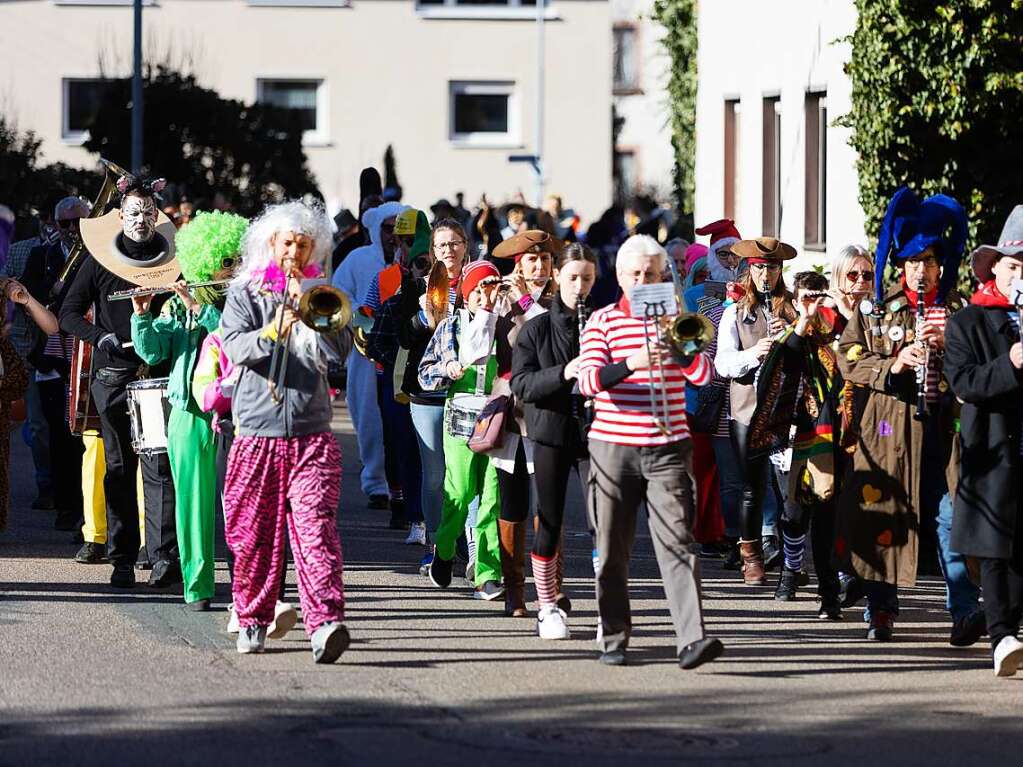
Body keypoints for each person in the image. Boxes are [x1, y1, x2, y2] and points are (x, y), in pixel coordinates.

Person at [838, 187, 982, 643]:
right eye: (914, 262)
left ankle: (962, 611)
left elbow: (978, 363)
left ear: (941, 266)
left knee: (949, 516)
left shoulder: (959, 309)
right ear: (902, 266)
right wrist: (895, 364)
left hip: (945, 429)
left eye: (931, 262)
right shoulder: (875, 308)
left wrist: (949, 347)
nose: (922, 271)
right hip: (889, 427)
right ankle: (880, 610)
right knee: (885, 513)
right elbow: (848, 358)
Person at [578, 234, 723, 669]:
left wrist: (678, 345)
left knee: (679, 541)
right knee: (613, 546)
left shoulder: (680, 319)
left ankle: (692, 639)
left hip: (668, 447)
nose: (643, 281)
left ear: (664, 277)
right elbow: (587, 382)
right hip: (614, 447)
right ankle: (615, 637)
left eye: (652, 274)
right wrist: (631, 364)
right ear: (621, 277)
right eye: (635, 274)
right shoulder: (602, 321)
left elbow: (704, 375)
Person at [220, 200, 351, 663]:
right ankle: (253, 619)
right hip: (257, 430)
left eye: (303, 243)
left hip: (312, 433)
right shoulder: (246, 294)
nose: (294, 251)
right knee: (253, 533)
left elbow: (338, 355)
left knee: (316, 529)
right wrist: (273, 330)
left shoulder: (320, 292)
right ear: (270, 244)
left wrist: (312, 309)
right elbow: (234, 346)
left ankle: (326, 624)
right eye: (287, 243)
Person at [59, 174, 181, 588]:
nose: (141, 219)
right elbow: (68, 313)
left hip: (154, 377)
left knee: (159, 467)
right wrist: (100, 337)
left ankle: (165, 557)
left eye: (149, 211)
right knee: (117, 467)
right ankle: (122, 557)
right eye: (134, 212)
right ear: (120, 216)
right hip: (112, 376)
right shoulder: (98, 262)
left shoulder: (172, 259)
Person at [130, 211, 246, 610]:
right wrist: (142, 313)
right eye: (225, 261)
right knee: (192, 504)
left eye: (235, 260)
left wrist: (201, 308)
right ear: (203, 260)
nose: (231, 268)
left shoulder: (245, 300)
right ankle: (197, 586)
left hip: (236, 413)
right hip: (189, 413)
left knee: (240, 503)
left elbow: (233, 341)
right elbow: (153, 351)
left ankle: (246, 584)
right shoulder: (176, 307)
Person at [945, 204, 1023, 676]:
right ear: (995, 266)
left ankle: (1011, 626)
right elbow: (964, 382)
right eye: (1015, 266)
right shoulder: (968, 322)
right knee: (995, 548)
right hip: (992, 451)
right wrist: (1010, 362)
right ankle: (1001, 635)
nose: (1021, 277)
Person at [511, 243, 597, 639]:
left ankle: (609, 608)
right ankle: (547, 606)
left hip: (596, 433)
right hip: (550, 433)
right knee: (549, 519)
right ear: (558, 276)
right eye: (573, 277)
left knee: (605, 524)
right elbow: (522, 384)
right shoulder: (535, 328)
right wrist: (565, 372)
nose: (580, 285)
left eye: (588, 278)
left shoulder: (601, 323)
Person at [748, 272, 843, 617]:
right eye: (806, 297)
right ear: (795, 299)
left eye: (819, 297)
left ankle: (829, 593)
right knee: (794, 512)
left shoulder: (838, 332)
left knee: (829, 515)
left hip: (837, 438)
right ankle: (790, 572)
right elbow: (784, 363)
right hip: (797, 435)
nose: (813, 304)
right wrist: (803, 321)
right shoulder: (792, 336)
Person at [421, 260, 509, 601]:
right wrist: (448, 368)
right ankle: (443, 552)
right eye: (479, 289)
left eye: (491, 288)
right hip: (459, 418)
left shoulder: (505, 325)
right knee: (458, 494)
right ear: (467, 295)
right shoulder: (451, 328)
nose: (485, 296)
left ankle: (487, 574)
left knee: (491, 498)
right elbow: (425, 373)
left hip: (497, 418)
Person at [714, 237, 796, 585]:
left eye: (772, 268)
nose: (766, 275)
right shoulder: (735, 312)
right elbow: (722, 364)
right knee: (752, 488)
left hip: (787, 409)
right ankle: (751, 557)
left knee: (791, 488)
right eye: (760, 268)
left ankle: (793, 557)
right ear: (750, 270)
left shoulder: (792, 310)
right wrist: (754, 354)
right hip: (747, 411)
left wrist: (791, 336)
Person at [489, 230, 559, 617]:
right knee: (512, 502)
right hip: (510, 413)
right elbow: (482, 348)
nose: (538, 266)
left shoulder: (560, 302)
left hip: (547, 412)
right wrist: (490, 305)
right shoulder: (502, 300)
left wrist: (525, 300)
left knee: (549, 504)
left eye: (544, 260)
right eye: (531, 260)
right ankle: (514, 587)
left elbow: (548, 338)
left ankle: (553, 588)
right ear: (519, 265)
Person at [398, 219, 468, 575]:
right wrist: (422, 318)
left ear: (465, 247)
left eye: (454, 244)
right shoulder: (415, 288)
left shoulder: (476, 283)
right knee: (435, 474)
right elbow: (404, 339)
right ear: (432, 253)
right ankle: (437, 545)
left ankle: (467, 545)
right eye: (442, 246)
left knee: (466, 472)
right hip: (427, 393)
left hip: (467, 391)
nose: (448, 252)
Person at [332, 201, 407, 509]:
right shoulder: (358, 259)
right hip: (365, 352)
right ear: (377, 230)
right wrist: (360, 320)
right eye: (388, 229)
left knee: (400, 418)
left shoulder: (415, 258)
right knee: (368, 417)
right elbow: (338, 293)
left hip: (404, 349)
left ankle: (402, 486)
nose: (393, 235)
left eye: (399, 229)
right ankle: (375, 483)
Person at [365, 208, 431, 537]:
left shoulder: (444, 291)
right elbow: (372, 329)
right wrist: (399, 359)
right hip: (393, 379)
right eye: (398, 239)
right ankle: (403, 507)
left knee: (429, 451)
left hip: (431, 384)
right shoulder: (384, 279)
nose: (401, 246)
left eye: (407, 239)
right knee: (398, 444)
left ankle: (428, 514)